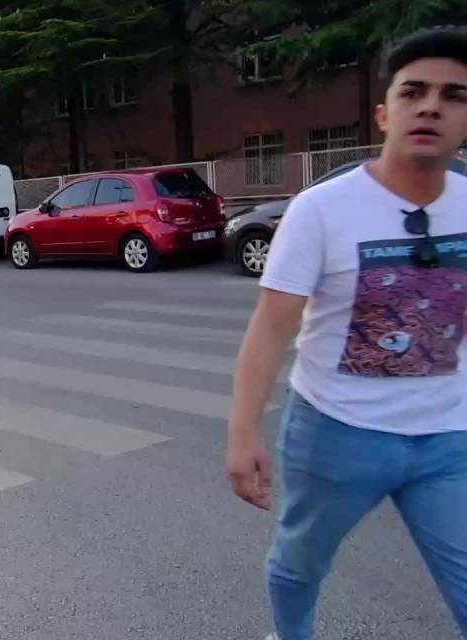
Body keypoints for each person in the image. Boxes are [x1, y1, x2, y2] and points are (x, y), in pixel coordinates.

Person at [226, 28, 467, 640]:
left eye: (453, 95)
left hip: (448, 441)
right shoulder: (321, 209)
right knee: (299, 566)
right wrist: (243, 431)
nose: (432, 106)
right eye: (414, 91)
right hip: (336, 435)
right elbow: (271, 327)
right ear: (385, 113)